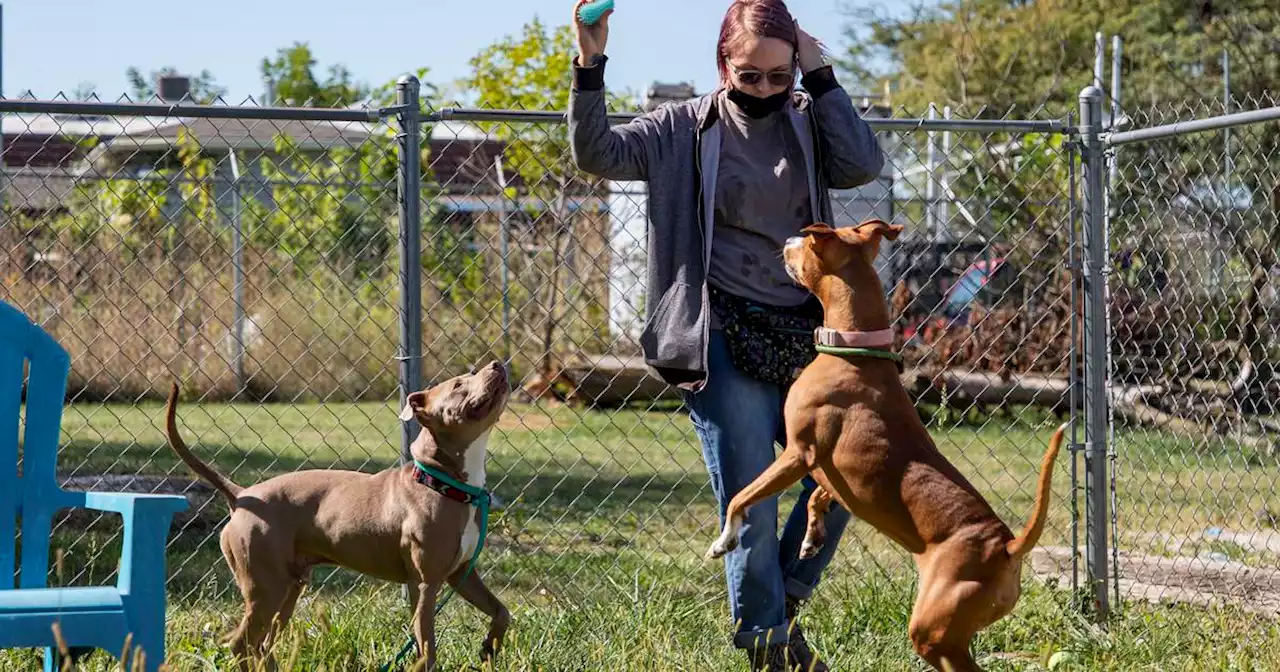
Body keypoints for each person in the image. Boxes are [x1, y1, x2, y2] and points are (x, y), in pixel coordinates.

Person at [569, 0, 884, 669]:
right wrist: (590, 64)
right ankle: (769, 647)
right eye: (750, 76)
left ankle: (782, 602)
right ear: (723, 66)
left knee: (852, 469)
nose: (766, 89)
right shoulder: (681, 129)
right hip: (719, 328)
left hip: (804, 330)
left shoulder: (806, 119)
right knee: (755, 490)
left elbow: (861, 166)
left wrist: (822, 77)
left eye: (779, 75)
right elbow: (597, 154)